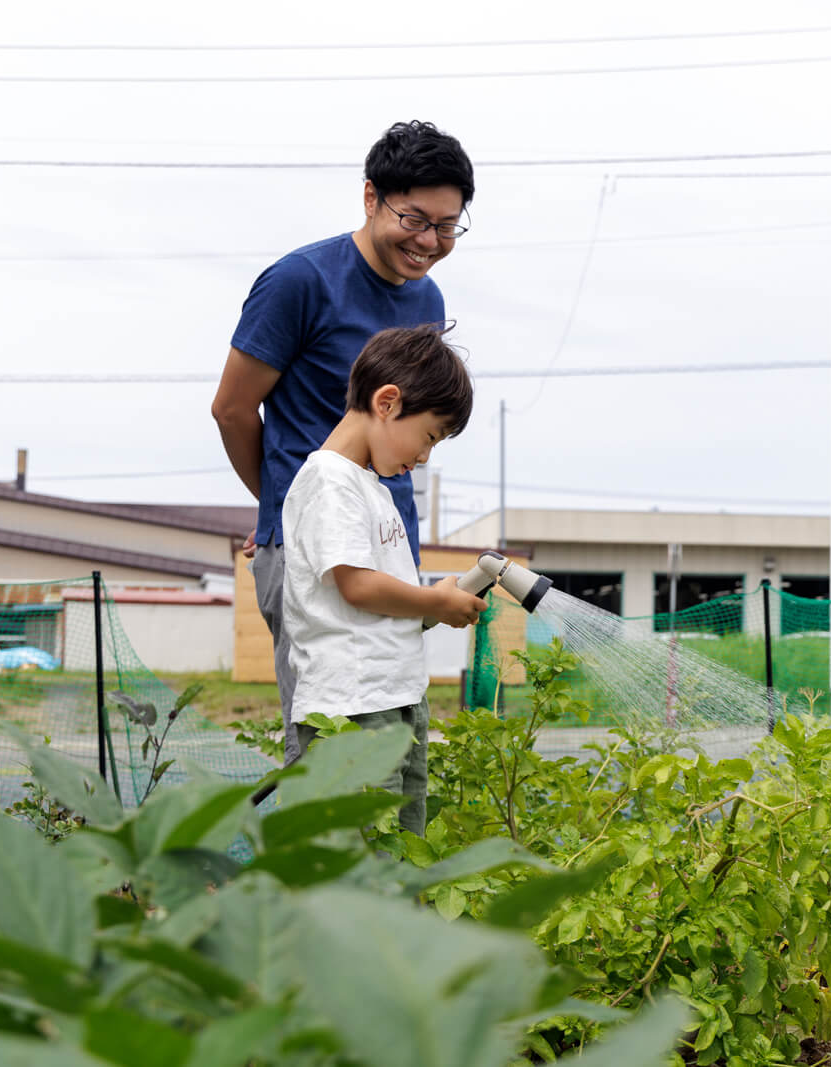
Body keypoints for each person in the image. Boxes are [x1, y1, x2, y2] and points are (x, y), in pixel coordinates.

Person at [211, 120, 474, 763]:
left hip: (391, 542)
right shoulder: (301, 281)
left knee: (390, 726)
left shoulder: (427, 298)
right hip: (319, 553)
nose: (429, 241)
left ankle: (384, 865)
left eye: (447, 226)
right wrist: (288, 511)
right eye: (415, 218)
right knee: (329, 734)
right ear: (369, 197)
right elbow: (233, 408)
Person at [281, 323, 486, 834]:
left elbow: (378, 605)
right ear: (388, 402)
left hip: (392, 699)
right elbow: (358, 585)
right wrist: (433, 604)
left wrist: (436, 604)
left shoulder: (372, 489)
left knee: (398, 852)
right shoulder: (330, 481)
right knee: (356, 863)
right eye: (430, 437)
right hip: (354, 709)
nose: (423, 457)